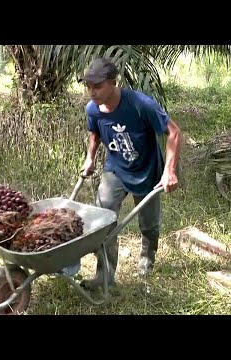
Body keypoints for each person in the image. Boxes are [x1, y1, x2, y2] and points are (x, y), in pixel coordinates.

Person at [74, 57, 182, 290]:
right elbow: (95, 133)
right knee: (102, 222)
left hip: (147, 171)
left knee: (149, 225)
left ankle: (147, 257)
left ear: (114, 82)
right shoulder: (93, 109)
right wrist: (90, 158)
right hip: (115, 169)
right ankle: (105, 278)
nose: (92, 92)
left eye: (98, 86)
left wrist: (169, 171)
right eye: (88, 86)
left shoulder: (141, 104)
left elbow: (173, 132)